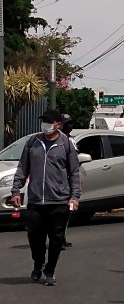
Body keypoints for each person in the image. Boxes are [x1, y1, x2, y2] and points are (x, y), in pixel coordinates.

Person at [10, 109, 81, 286]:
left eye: (50, 121)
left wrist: (74, 197)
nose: (46, 124)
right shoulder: (33, 142)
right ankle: (38, 263)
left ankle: (50, 271)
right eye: (44, 121)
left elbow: (74, 173)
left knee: (56, 240)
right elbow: (22, 168)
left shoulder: (66, 144)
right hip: (35, 201)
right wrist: (16, 191)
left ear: (58, 125)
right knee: (35, 238)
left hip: (58, 201)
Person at [59, 113, 78, 249]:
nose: (69, 126)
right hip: (58, 182)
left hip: (69, 181)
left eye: (70, 123)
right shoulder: (55, 140)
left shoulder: (71, 140)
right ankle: (58, 239)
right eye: (66, 124)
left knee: (67, 212)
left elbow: (75, 162)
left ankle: (62, 237)